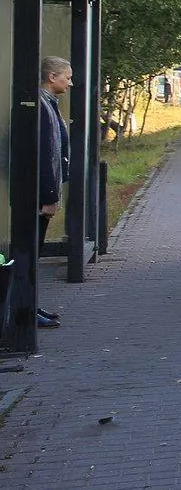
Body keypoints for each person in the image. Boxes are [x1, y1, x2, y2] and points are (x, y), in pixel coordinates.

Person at [35, 56, 73, 327]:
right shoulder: (40, 106)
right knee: (31, 248)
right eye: (66, 77)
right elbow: (44, 153)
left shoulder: (49, 104)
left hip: (45, 191)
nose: (70, 83)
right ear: (52, 77)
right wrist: (49, 195)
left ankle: (30, 305)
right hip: (40, 194)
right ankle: (24, 308)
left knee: (34, 250)